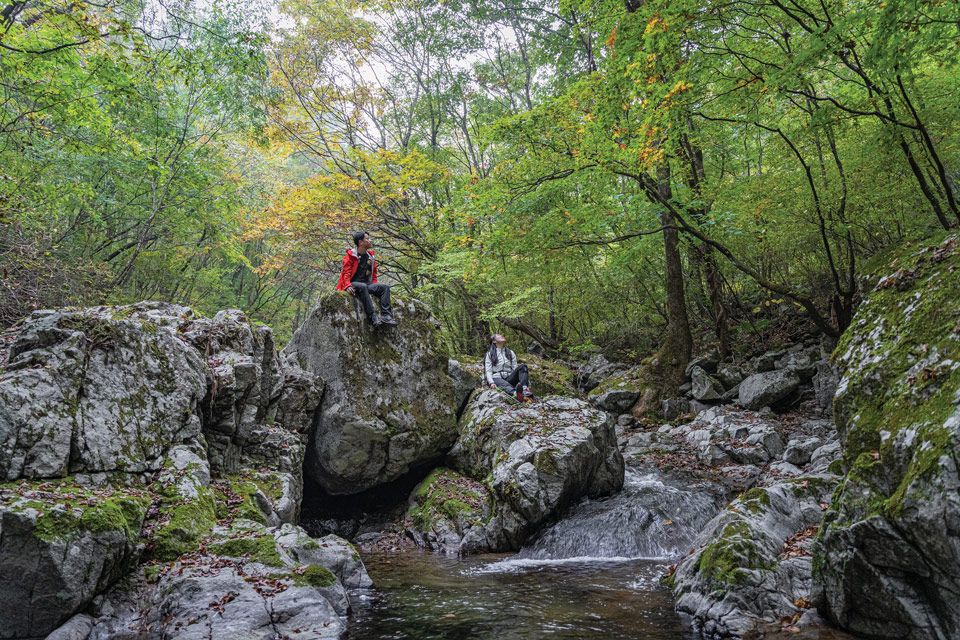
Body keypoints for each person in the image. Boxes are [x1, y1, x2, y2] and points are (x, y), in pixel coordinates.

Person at [336, 231, 397, 327]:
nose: (370, 240)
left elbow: (374, 275)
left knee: (385, 287)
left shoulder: (370, 257)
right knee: (363, 286)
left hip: (366, 284)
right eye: (367, 239)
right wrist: (347, 286)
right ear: (361, 242)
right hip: (353, 284)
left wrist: (375, 286)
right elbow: (345, 273)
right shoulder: (350, 256)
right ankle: (372, 316)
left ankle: (386, 316)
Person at [483, 334, 532, 401]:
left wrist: (523, 379)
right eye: (498, 336)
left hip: (509, 378)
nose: (502, 336)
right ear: (494, 341)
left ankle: (524, 389)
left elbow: (515, 368)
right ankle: (515, 393)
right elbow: (488, 371)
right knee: (503, 384)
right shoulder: (490, 354)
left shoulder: (510, 352)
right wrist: (491, 382)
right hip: (496, 378)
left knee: (523, 367)